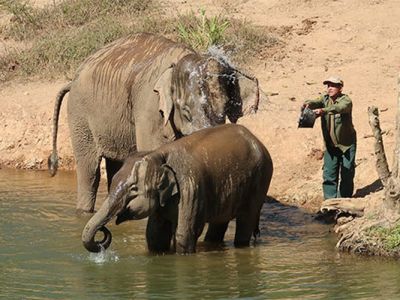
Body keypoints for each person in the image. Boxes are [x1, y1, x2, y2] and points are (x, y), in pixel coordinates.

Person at [302, 76, 357, 199]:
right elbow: (314, 101)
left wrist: (323, 111)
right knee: (329, 175)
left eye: (333, 85)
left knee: (347, 174)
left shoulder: (346, 100)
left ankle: (343, 202)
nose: (330, 88)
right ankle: (329, 203)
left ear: (340, 88)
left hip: (346, 144)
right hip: (330, 145)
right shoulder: (324, 98)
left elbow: (340, 108)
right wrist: (307, 104)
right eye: (328, 85)